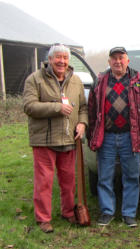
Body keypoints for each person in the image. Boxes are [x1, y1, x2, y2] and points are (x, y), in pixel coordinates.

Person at [87, 47, 140, 227]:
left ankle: (129, 214)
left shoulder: (139, 80)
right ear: (109, 61)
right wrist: (92, 135)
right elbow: (92, 110)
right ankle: (107, 212)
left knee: (131, 177)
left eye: (121, 58)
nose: (118, 61)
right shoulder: (100, 80)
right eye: (114, 58)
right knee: (104, 177)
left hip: (131, 136)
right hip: (107, 137)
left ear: (128, 60)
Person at [23, 44, 88, 233]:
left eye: (65, 58)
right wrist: (56, 107)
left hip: (69, 138)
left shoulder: (76, 80)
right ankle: (43, 218)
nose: (62, 61)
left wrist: (82, 123)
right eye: (57, 57)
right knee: (44, 181)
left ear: (69, 61)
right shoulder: (35, 79)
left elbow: (83, 107)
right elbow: (29, 106)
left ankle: (68, 213)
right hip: (44, 139)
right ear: (49, 60)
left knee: (68, 181)